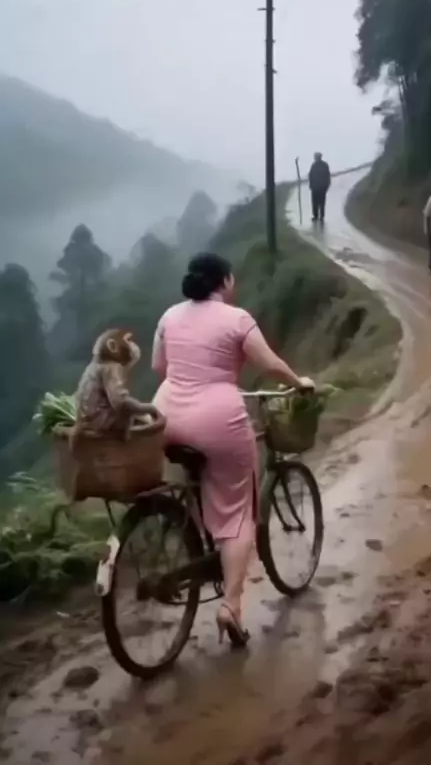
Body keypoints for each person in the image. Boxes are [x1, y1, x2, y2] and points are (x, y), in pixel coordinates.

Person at [151, 252, 314, 647]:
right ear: (224, 281)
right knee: (239, 510)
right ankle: (231, 606)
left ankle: (196, 537)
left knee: (202, 481)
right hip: (217, 419)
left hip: (165, 417)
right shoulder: (237, 319)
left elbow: (159, 367)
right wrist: (299, 383)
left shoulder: (169, 316)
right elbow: (269, 365)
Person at [308, 152, 331, 223]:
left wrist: (327, 185)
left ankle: (321, 216)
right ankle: (316, 216)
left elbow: (327, 176)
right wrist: (311, 185)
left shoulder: (324, 165)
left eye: (316, 157)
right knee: (315, 202)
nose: (315, 158)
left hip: (321, 187)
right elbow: (310, 176)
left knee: (321, 202)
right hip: (315, 187)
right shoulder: (314, 165)